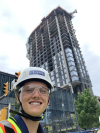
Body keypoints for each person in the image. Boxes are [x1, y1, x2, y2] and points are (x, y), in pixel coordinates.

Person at [0, 67, 53, 133]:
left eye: (43, 91)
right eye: (29, 90)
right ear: (18, 98)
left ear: (48, 100)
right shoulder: (3, 129)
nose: (36, 95)